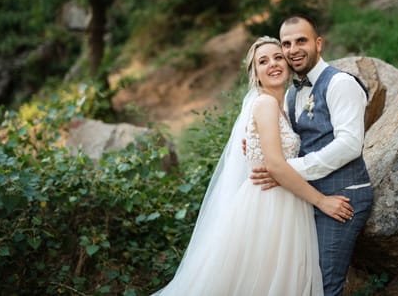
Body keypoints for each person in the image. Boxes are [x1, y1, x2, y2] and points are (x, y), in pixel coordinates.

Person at [152, 36, 354, 296]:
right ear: (255, 74)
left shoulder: (284, 105)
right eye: (263, 61)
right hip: (268, 208)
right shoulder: (266, 104)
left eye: (278, 57)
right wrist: (323, 201)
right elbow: (276, 166)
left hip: (286, 203)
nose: (272, 64)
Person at [250, 16, 374, 296]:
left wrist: (288, 170)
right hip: (306, 198)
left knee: (324, 286)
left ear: (318, 43)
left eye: (301, 41)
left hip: (343, 197)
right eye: (287, 43)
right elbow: (294, 141)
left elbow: (350, 144)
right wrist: (258, 144)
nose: (293, 49)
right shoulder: (292, 94)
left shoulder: (340, 83)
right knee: (301, 281)